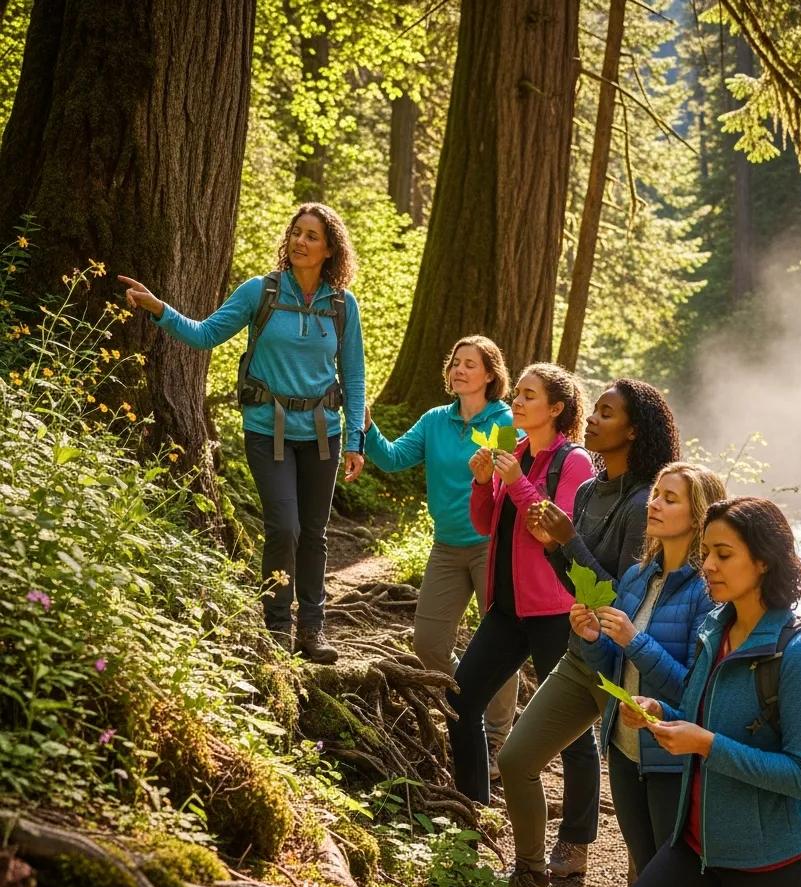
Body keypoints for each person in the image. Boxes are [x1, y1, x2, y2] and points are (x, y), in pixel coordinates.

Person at [595, 496, 801, 887]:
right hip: (698, 847)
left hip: (774, 863)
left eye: (723, 554)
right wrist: (663, 710)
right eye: (706, 552)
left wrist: (706, 745)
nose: (706, 565)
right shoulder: (716, 630)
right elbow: (703, 710)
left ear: (765, 561)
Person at [119, 203, 366, 663]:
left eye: (312, 236)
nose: (300, 241)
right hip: (266, 428)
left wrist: (355, 441)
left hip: (323, 434)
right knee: (284, 527)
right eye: (296, 232)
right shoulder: (261, 291)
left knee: (314, 532)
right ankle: (276, 628)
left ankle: (312, 629)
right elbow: (206, 334)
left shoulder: (341, 305)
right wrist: (160, 310)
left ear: (330, 248)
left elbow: (353, 376)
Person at [497, 380, 680, 887]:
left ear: (635, 430)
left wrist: (567, 539)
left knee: (638, 809)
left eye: (606, 412)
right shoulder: (586, 492)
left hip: (628, 668)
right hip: (582, 656)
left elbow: (621, 595)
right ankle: (530, 873)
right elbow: (574, 581)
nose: (592, 420)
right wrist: (552, 544)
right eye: (594, 410)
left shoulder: (646, 501)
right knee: (515, 759)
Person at [571, 462, 725, 887]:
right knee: (643, 859)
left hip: (673, 756)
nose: (654, 505)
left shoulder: (708, 597)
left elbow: (695, 687)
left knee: (678, 876)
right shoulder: (639, 578)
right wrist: (590, 638)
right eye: (655, 495)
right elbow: (608, 664)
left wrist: (635, 642)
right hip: (624, 745)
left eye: (670, 499)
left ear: (699, 515)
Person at [362, 336, 520, 773]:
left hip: (492, 546)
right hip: (447, 546)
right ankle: (467, 695)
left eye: (470, 364)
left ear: (490, 374)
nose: (459, 370)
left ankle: (495, 739)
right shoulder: (435, 420)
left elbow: (514, 480)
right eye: (455, 363)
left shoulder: (502, 420)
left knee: (500, 647)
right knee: (428, 642)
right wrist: (367, 428)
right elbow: (393, 459)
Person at [446, 363, 593, 817]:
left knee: (571, 731)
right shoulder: (516, 448)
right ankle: (473, 811)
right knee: (460, 701)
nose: (518, 401)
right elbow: (485, 523)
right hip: (507, 609)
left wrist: (515, 482)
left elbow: (552, 531)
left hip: (554, 612)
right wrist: (481, 481)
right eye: (519, 394)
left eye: (530, 395)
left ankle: (576, 838)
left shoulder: (575, 461)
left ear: (556, 408)